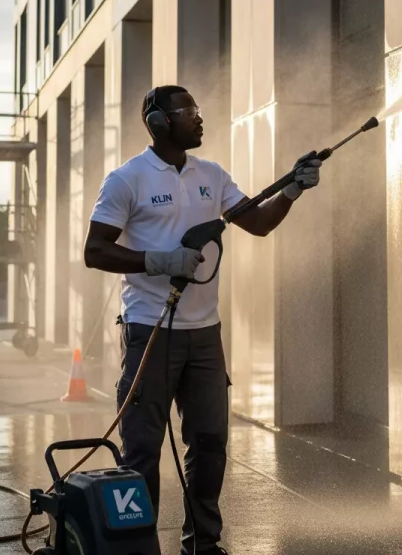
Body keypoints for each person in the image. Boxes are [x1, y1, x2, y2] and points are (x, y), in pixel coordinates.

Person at [83, 84, 322, 555]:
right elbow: (95, 251)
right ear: (158, 122)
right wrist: (158, 261)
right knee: (141, 453)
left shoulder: (211, 174)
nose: (198, 118)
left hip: (205, 335)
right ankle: (139, 548)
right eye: (187, 111)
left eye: (197, 109)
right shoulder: (127, 180)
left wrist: (291, 189)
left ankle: (203, 544)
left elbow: (257, 221)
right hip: (150, 331)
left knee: (210, 446)